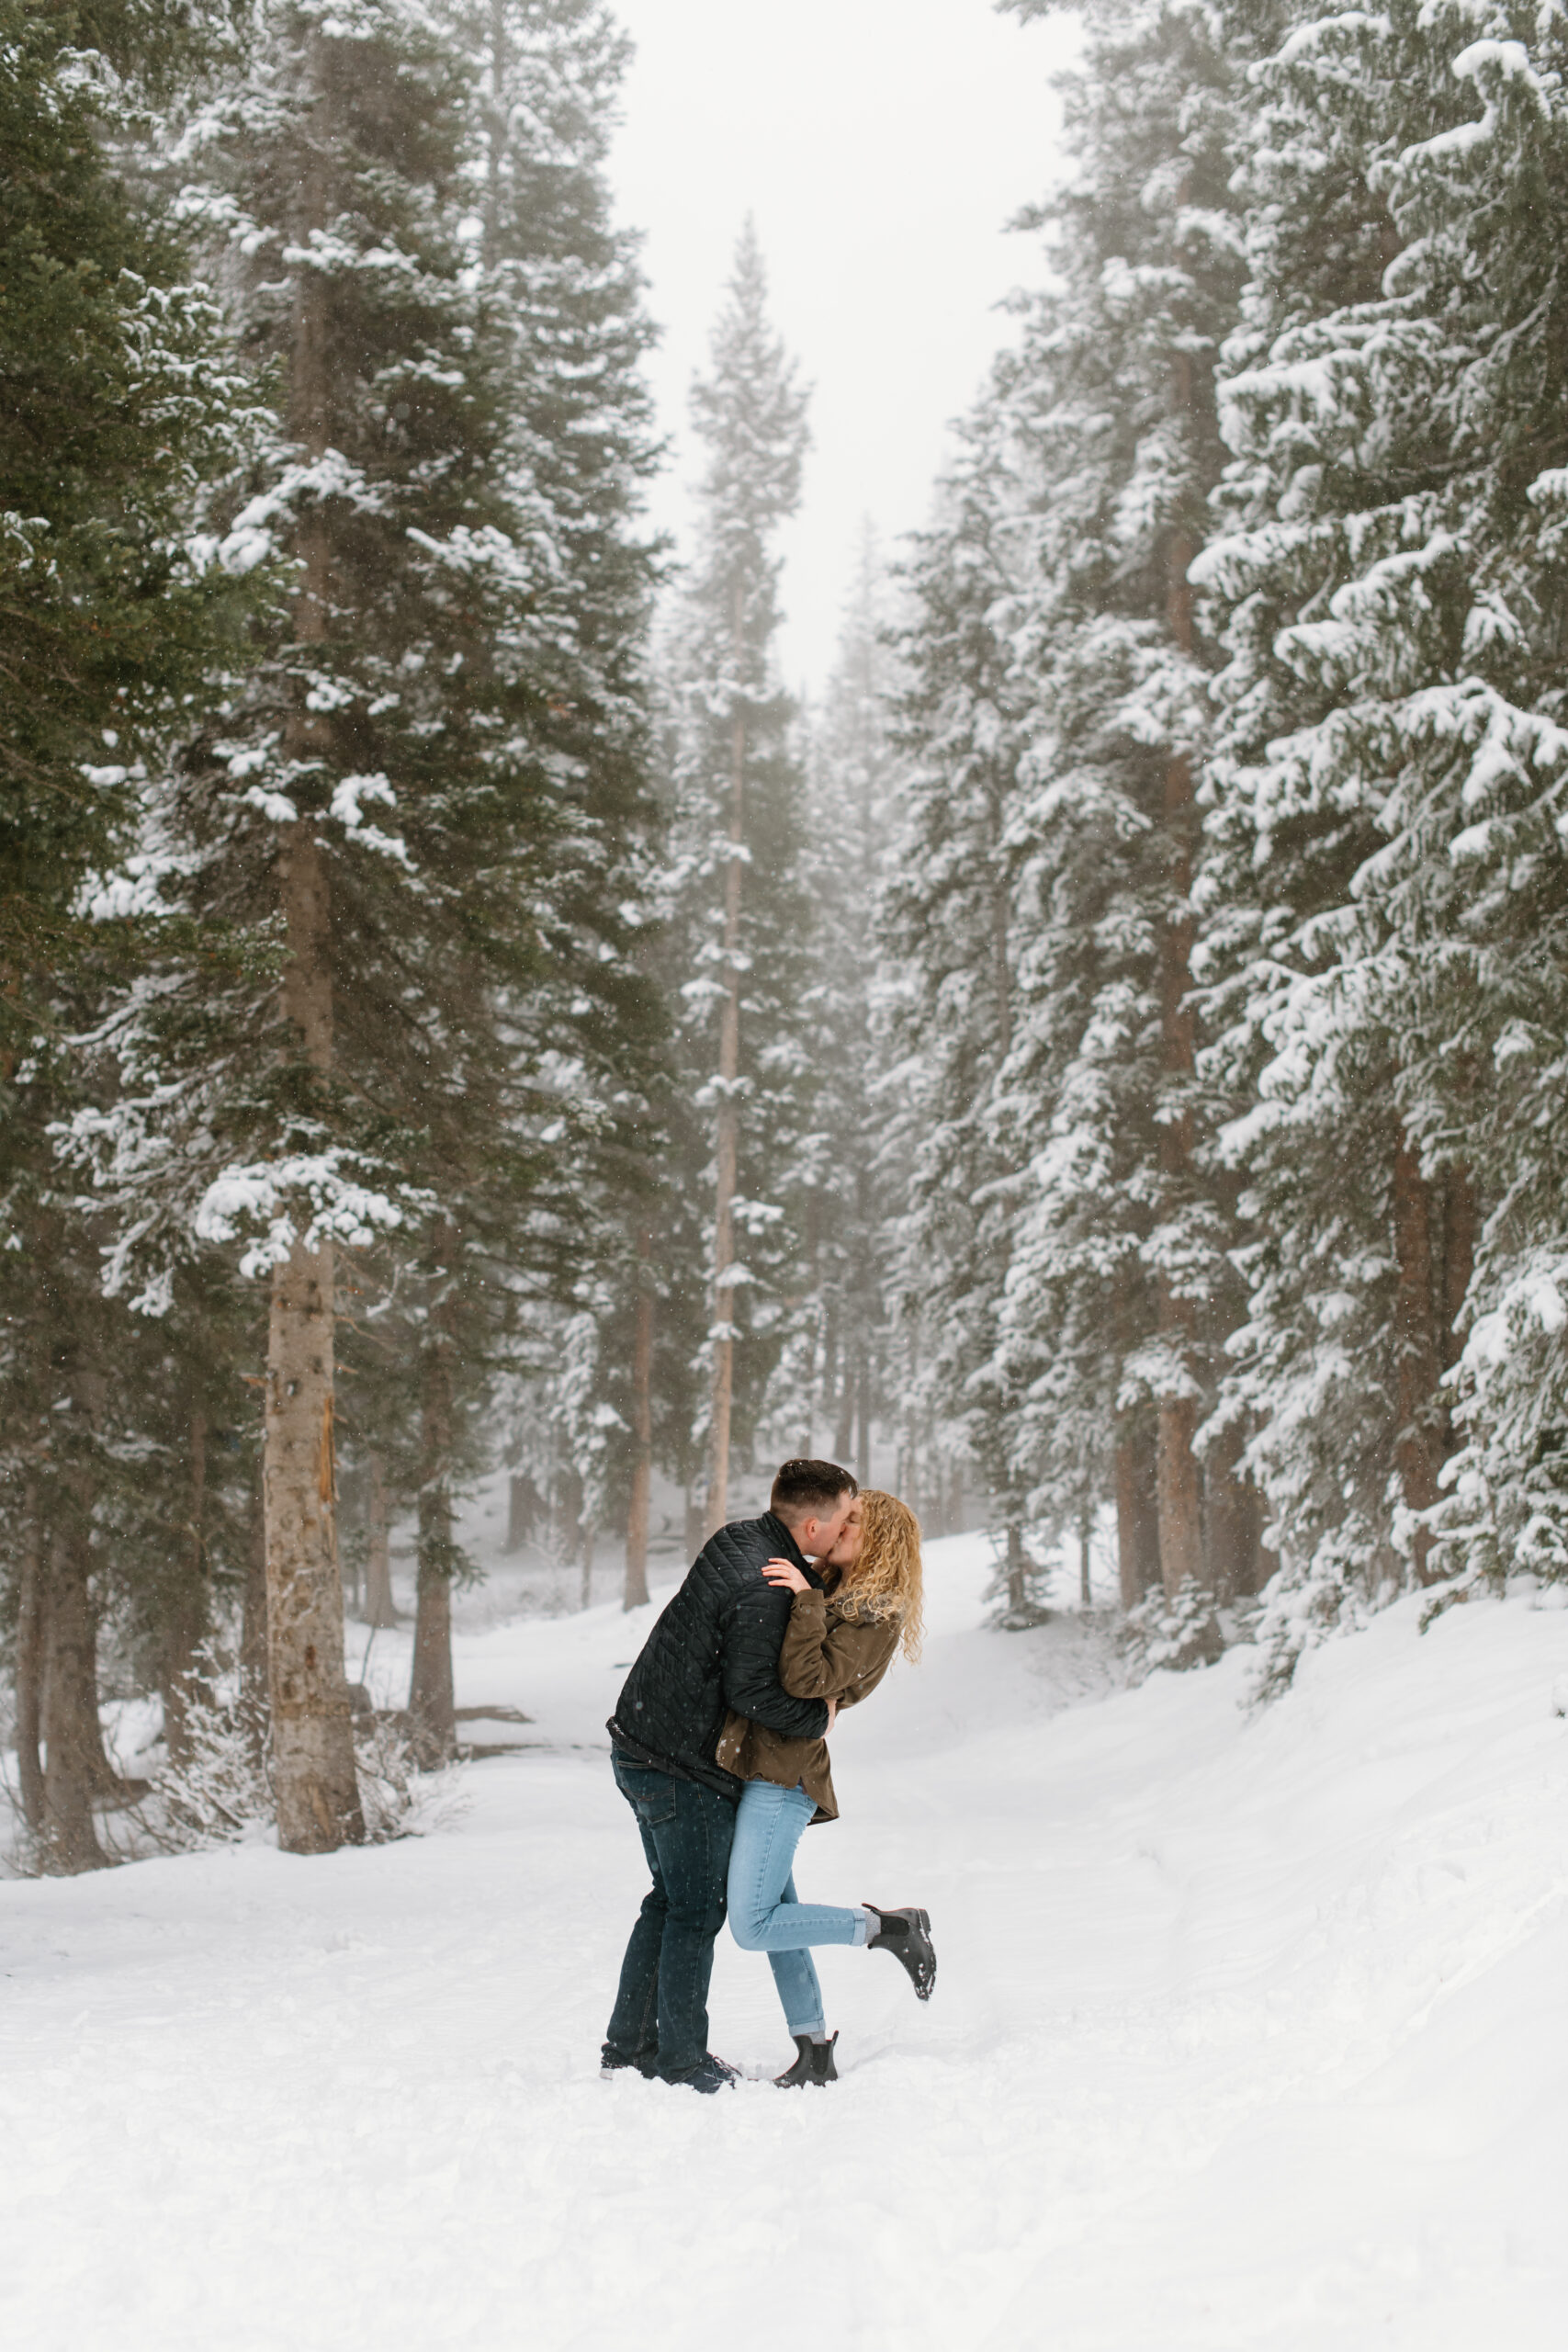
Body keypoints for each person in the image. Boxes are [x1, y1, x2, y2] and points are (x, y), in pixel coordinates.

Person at [601, 1458, 857, 2092]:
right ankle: (682, 2061)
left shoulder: (739, 1538)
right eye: (848, 1516)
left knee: (667, 1900)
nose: (854, 1525)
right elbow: (750, 1692)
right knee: (697, 1911)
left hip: (638, 1746)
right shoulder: (767, 1584)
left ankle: (629, 2044)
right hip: (680, 1767)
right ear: (813, 1525)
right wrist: (817, 1717)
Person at [717, 1488, 935, 2088]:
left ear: (880, 1540)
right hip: (757, 1764)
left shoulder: (875, 1613)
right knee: (779, 1917)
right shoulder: (824, 1587)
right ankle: (813, 2049)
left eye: (856, 1521)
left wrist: (805, 1600)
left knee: (753, 1924)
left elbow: (808, 1678)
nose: (841, 1526)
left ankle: (888, 1929)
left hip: (786, 1775)